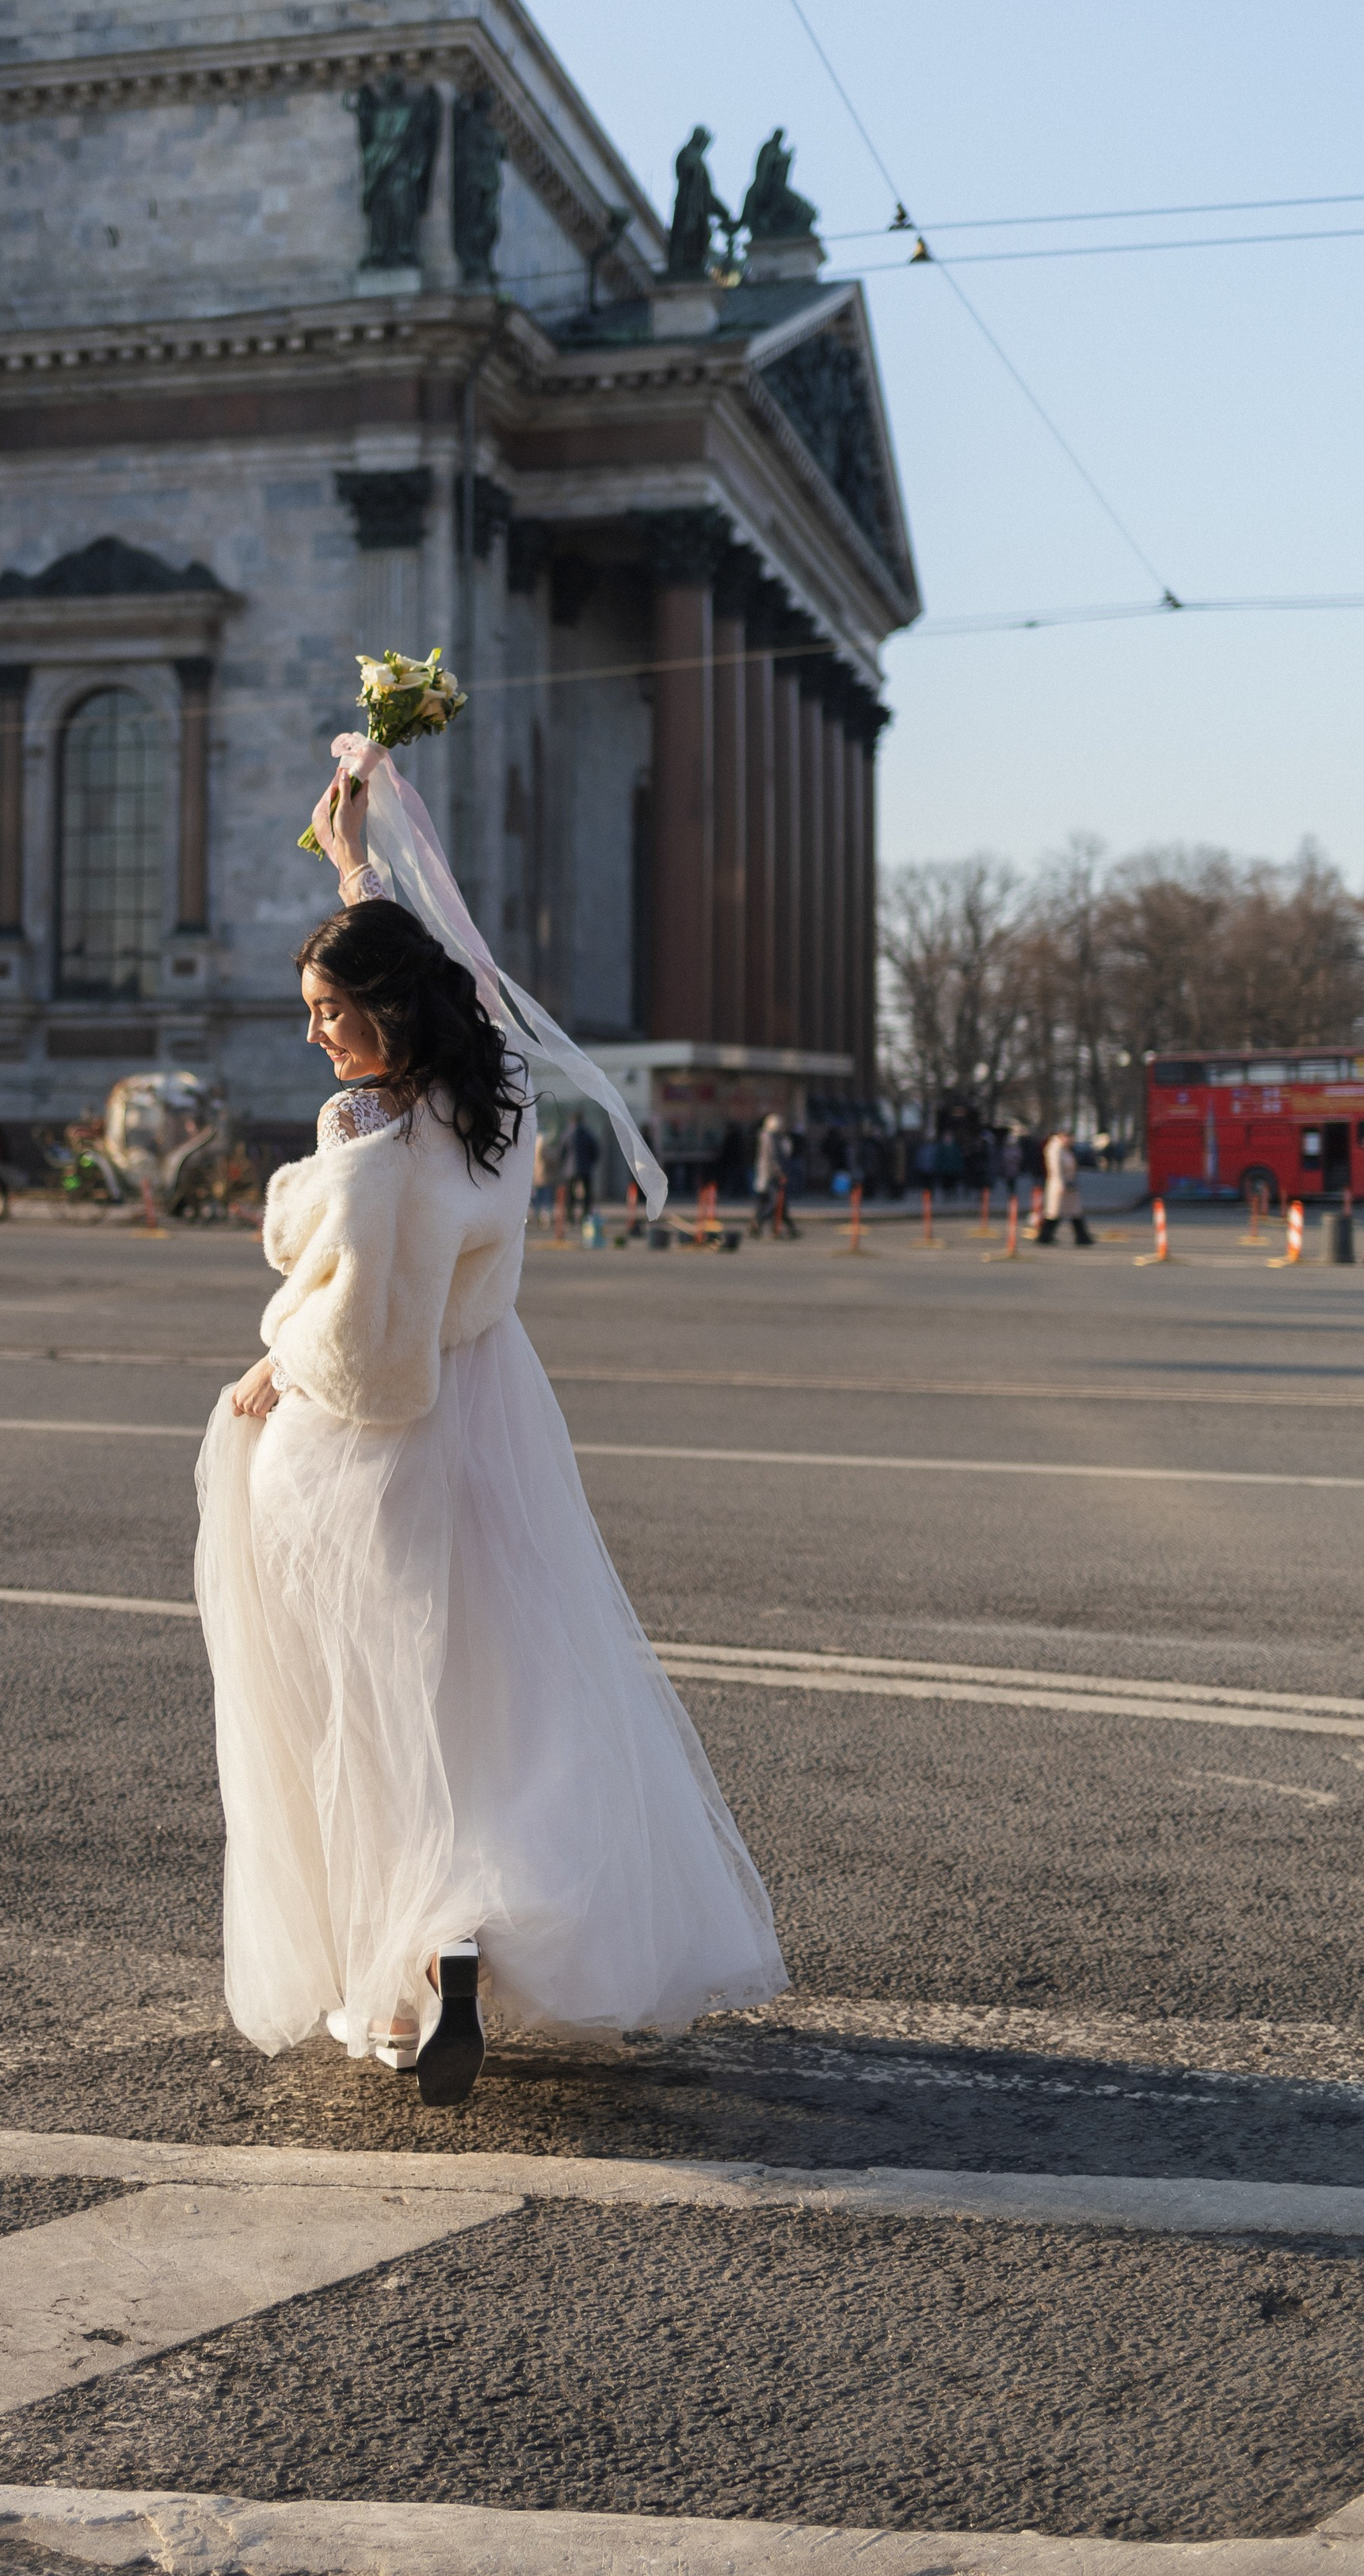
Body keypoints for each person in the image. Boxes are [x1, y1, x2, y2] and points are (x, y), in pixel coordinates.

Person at [196, 757, 788, 2109]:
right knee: (510, 1693)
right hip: (499, 1413)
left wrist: (270, 1362)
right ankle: (468, 1928)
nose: (314, 1038)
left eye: (327, 1012)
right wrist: (361, 867)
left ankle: (409, 1970)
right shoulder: (498, 1092)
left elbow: (362, 1339)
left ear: (379, 1013)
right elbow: (457, 967)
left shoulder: (362, 1134)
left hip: (372, 1447)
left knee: (369, 1707)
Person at [1037, 1128, 1093, 1247]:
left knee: (1075, 1212)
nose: (1070, 1140)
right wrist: (1060, 1184)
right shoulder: (1054, 1149)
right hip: (1059, 1185)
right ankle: (1044, 1236)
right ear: (1062, 1136)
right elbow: (1055, 1168)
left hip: (1069, 1185)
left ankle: (1082, 1237)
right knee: (1054, 1212)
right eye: (1068, 1137)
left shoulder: (1065, 1149)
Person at [752, 1109, 798, 1239]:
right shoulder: (769, 1138)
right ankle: (759, 1221)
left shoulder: (772, 1137)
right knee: (776, 1201)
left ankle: (789, 1228)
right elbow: (773, 1158)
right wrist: (780, 1173)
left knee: (778, 1202)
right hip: (770, 1175)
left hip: (769, 1174)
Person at [558, 1111, 600, 1221]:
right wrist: (591, 1162)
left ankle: (570, 1216)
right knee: (587, 1194)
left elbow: (562, 1152)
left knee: (570, 1195)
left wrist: (564, 1163)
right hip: (585, 1168)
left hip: (570, 1169)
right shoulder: (588, 1134)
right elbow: (595, 1151)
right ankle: (586, 1215)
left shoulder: (567, 1134)